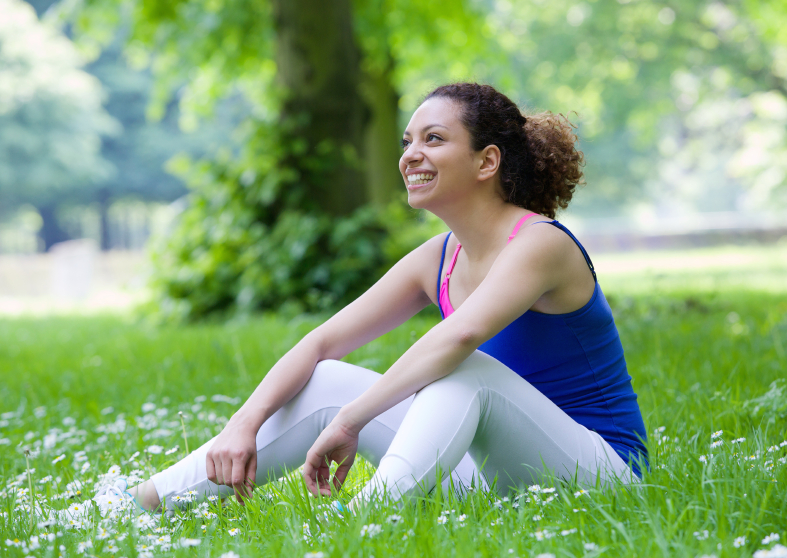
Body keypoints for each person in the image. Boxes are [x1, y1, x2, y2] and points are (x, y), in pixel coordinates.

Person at [93, 82, 648, 514]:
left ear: (487, 161)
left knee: (464, 368)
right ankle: (136, 507)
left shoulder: (540, 244)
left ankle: (363, 524)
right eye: (408, 141)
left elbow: (459, 337)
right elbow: (321, 342)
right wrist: (243, 422)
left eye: (434, 139)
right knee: (329, 379)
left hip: (598, 474)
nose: (410, 154)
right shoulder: (440, 257)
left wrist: (351, 422)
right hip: (493, 475)